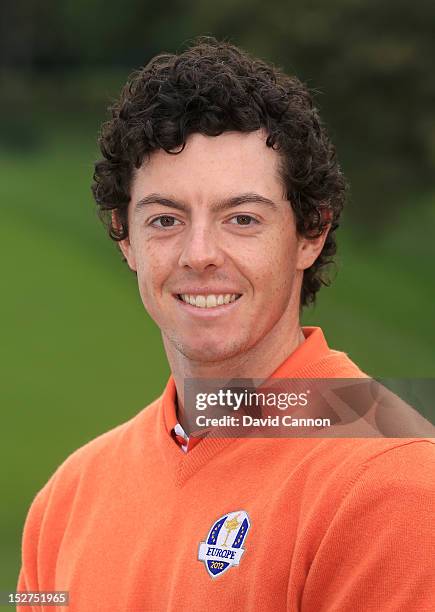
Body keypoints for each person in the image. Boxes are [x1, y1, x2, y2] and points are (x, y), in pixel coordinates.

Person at [17, 36, 434, 611]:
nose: (199, 253)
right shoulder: (67, 499)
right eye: (165, 219)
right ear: (124, 236)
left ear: (309, 233)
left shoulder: (394, 480)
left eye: (242, 218)